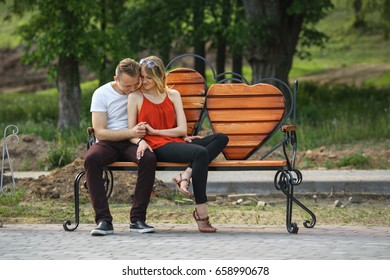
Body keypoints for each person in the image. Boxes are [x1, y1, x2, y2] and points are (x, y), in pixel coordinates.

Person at [127, 56, 229, 233]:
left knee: (221, 138)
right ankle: (201, 213)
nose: (144, 81)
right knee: (199, 153)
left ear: (159, 76)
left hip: (173, 140)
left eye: (148, 77)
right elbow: (131, 132)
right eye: (142, 77)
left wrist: (157, 131)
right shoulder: (135, 97)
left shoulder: (173, 95)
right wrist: (145, 139)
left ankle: (186, 174)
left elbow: (182, 130)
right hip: (156, 146)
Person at [85, 58, 157, 236]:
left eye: (135, 84)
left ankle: (137, 219)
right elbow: (100, 132)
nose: (132, 89)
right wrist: (131, 133)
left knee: (148, 158)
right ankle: (103, 220)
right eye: (127, 87)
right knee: (91, 158)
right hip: (108, 142)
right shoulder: (101, 94)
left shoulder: (142, 88)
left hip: (133, 143)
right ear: (116, 79)